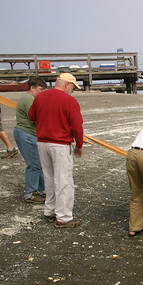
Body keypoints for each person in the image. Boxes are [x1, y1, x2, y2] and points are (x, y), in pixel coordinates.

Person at [28, 73, 83, 228]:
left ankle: (50, 210)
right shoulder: (69, 100)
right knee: (64, 180)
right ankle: (63, 217)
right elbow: (77, 127)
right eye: (73, 86)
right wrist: (79, 145)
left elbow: (31, 116)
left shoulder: (40, 97)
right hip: (60, 143)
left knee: (49, 177)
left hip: (42, 142)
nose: (73, 90)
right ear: (67, 84)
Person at [14, 77, 48, 204]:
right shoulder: (29, 99)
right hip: (26, 133)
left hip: (29, 133)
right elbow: (34, 118)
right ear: (32, 88)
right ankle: (30, 192)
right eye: (40, 89)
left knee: (37, 163)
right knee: (33, 164)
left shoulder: (30, 98)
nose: (42, 92)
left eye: (44, 90)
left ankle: (41, 190)